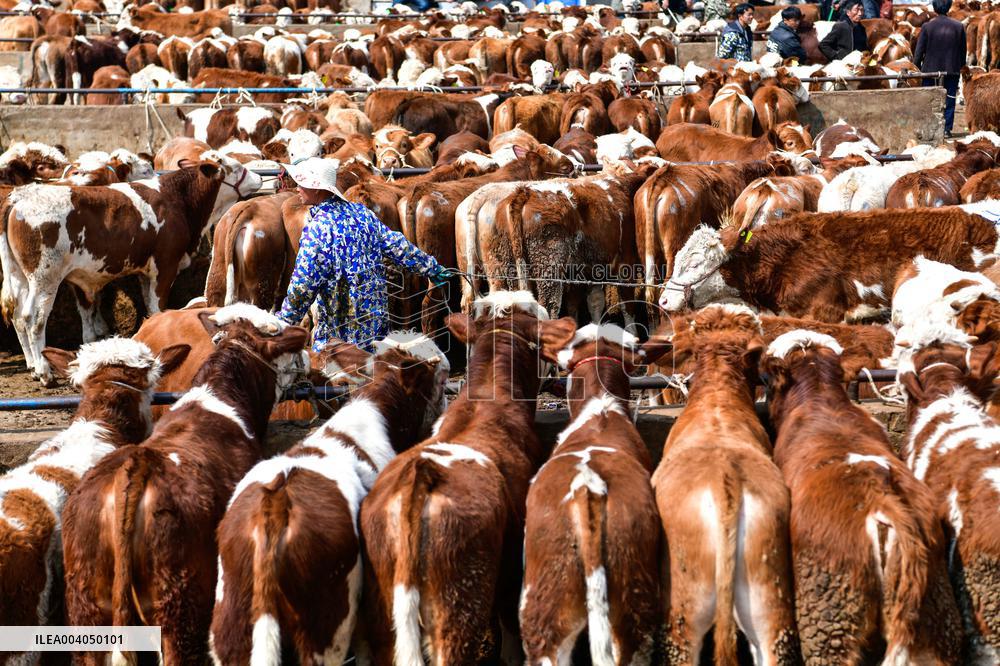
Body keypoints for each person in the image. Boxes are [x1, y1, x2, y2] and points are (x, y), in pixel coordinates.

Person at [276, 157, 452, 352]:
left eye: (302, 183)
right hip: (375, 333)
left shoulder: (318, 229)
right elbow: (397, 245)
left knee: (338, 378)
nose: (297, 188)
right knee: (374, 376)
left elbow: (302, 286)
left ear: (316, 188)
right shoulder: (361, 213)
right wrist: (430, 267)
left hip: (339, 341)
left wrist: (281, 324)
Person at [914, 0, 966, 137]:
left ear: (934, 8)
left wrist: (917, 66)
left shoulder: (927, 27)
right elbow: (963, 51)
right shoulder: (959, 26)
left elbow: (919, 51)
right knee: (949, 98)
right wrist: (959, 66)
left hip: (930, 70)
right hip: (951, 69)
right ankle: (947, 129)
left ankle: (929, 128)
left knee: (930, 99)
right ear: (949, 6)